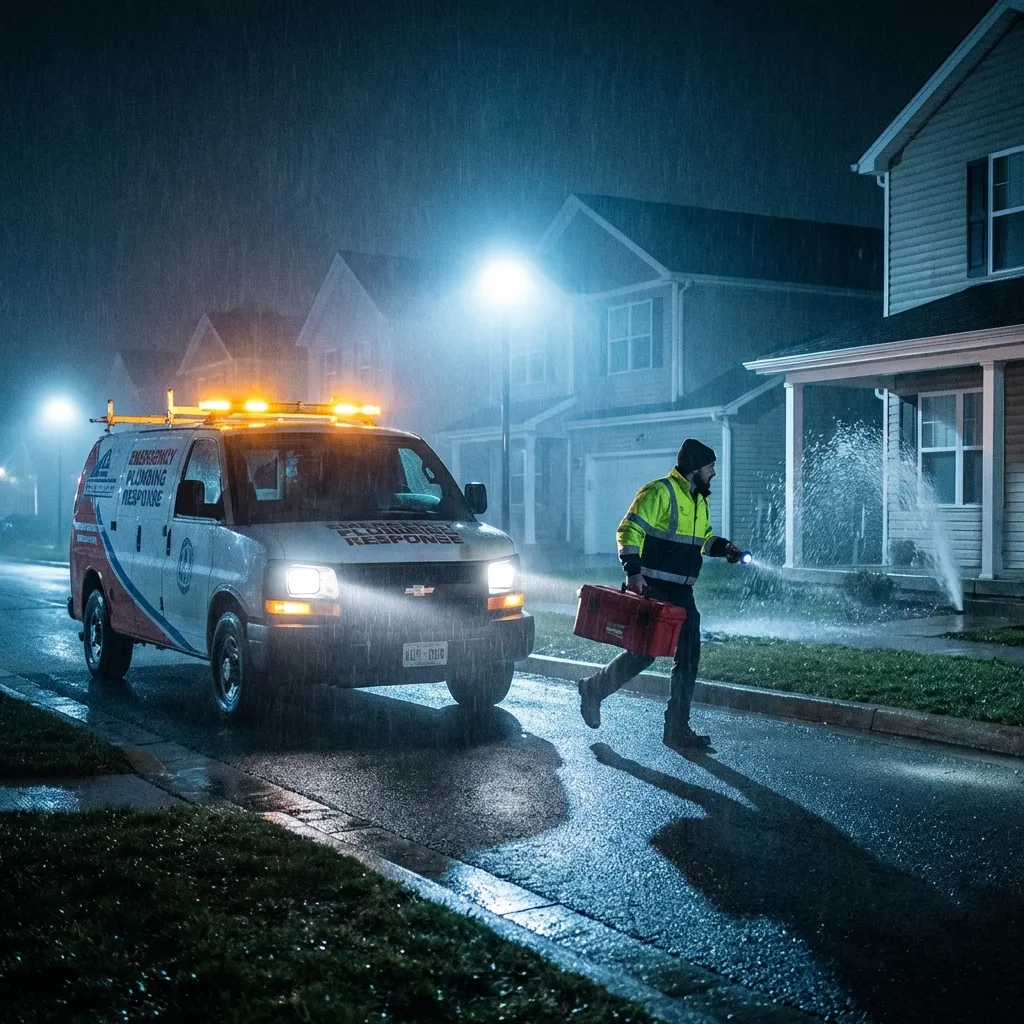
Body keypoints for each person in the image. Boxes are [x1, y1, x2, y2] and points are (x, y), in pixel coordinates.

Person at [577, 438, 743, 751]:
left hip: (683, 593)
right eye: (710, 467)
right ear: (695, 468)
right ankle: (594, 690)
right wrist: (633, 571)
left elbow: (704, 539)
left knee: (688, 657)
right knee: (644, 653)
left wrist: (724, 548)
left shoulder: (698, 500)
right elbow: (628, 530)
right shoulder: (659, 492)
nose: (714, 474)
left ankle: (676, 728)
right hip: (654, 590)